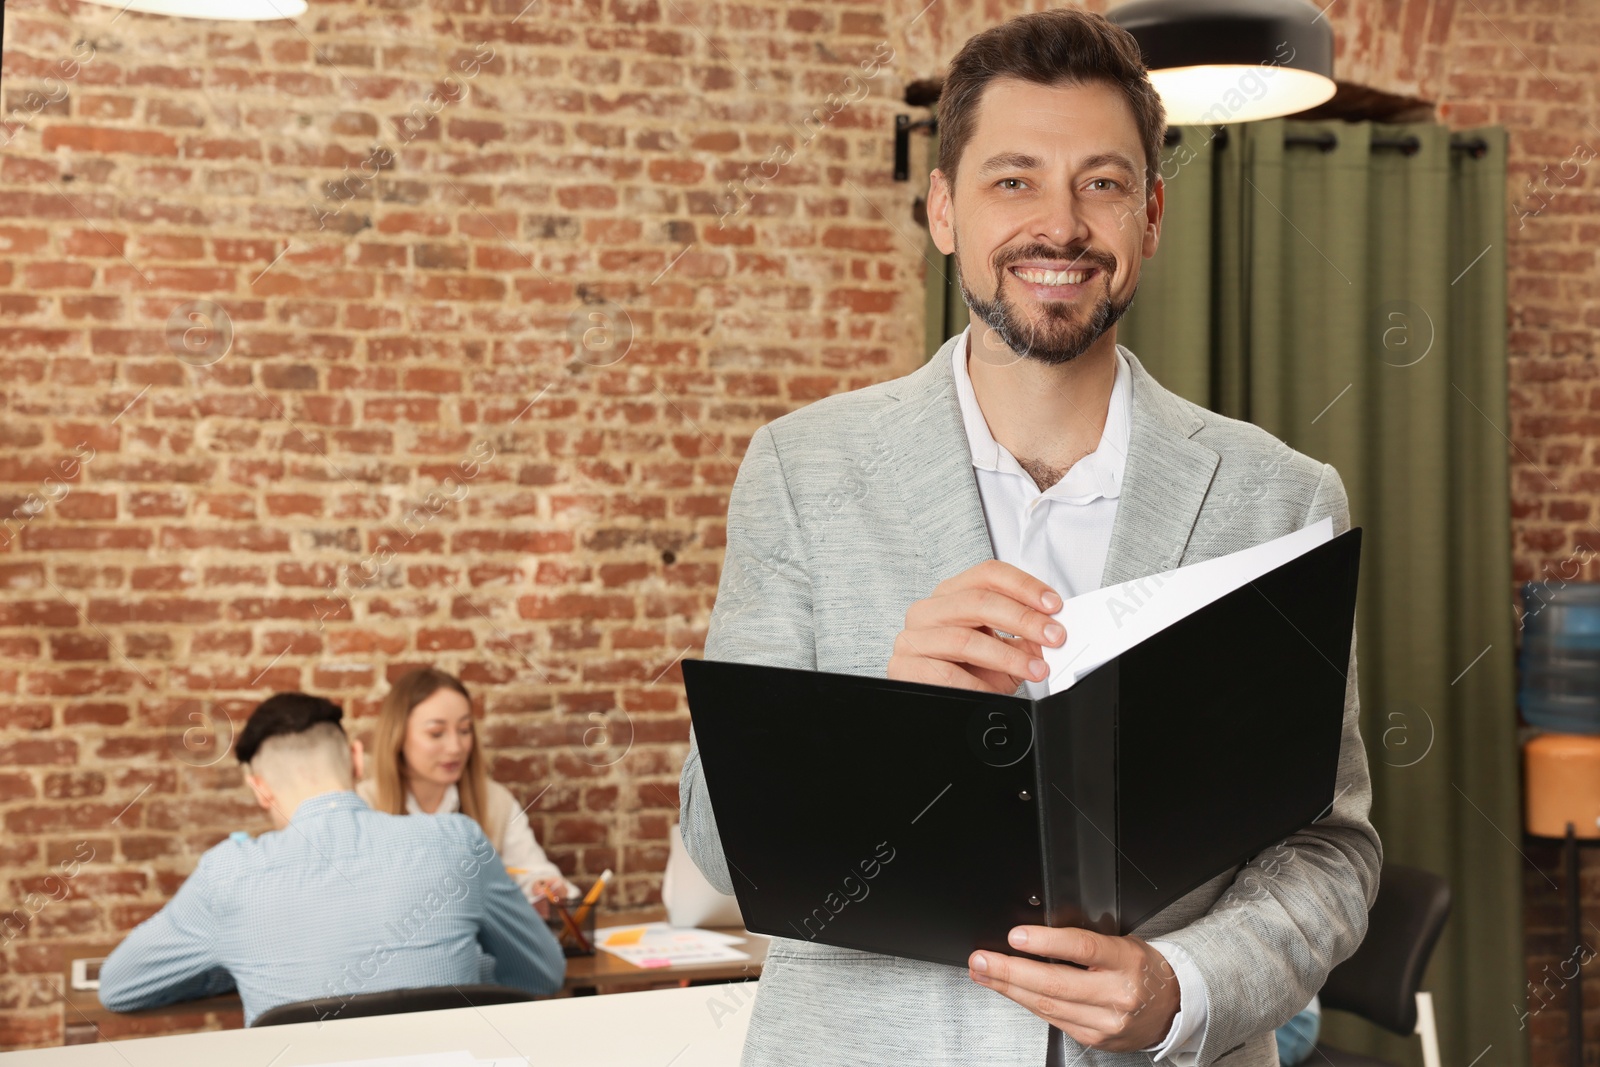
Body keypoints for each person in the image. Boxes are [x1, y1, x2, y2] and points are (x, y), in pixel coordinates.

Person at [678, 9, 1381, 1067]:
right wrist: (879, 709)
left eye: (1099, 182)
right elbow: (713, 840)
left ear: (1150, 216)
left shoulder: (1281, 497)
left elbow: (1329, 850)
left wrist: (1178, 989)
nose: (1059, 226)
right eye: (1013, 179)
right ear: (943, 210)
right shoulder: (799, 469)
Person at [99, 693, 565, 1025]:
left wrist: (234, 963)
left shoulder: (228, 875)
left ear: (259, 788)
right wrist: (462, 966)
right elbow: (542, 973)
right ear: (357, 760)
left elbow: (119, 988)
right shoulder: (457, 840)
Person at [356, 667, 576, 910]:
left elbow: (533, 871)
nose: (455, 747)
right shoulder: (363, 806)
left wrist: (542, 886)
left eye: (464, 730)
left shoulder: (495, 801)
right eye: (436, 733)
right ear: (398, 736)